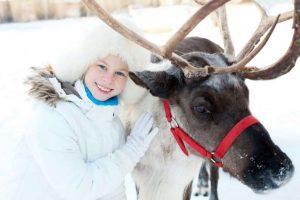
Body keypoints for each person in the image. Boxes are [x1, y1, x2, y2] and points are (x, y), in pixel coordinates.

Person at [0, 16, 158, 200]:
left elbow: (111, 189)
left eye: (120, 73)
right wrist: (132, 150)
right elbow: (80, 189)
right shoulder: (53, 116)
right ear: (84, 65)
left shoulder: (112, 121)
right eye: (101, 66)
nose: (108, 79)